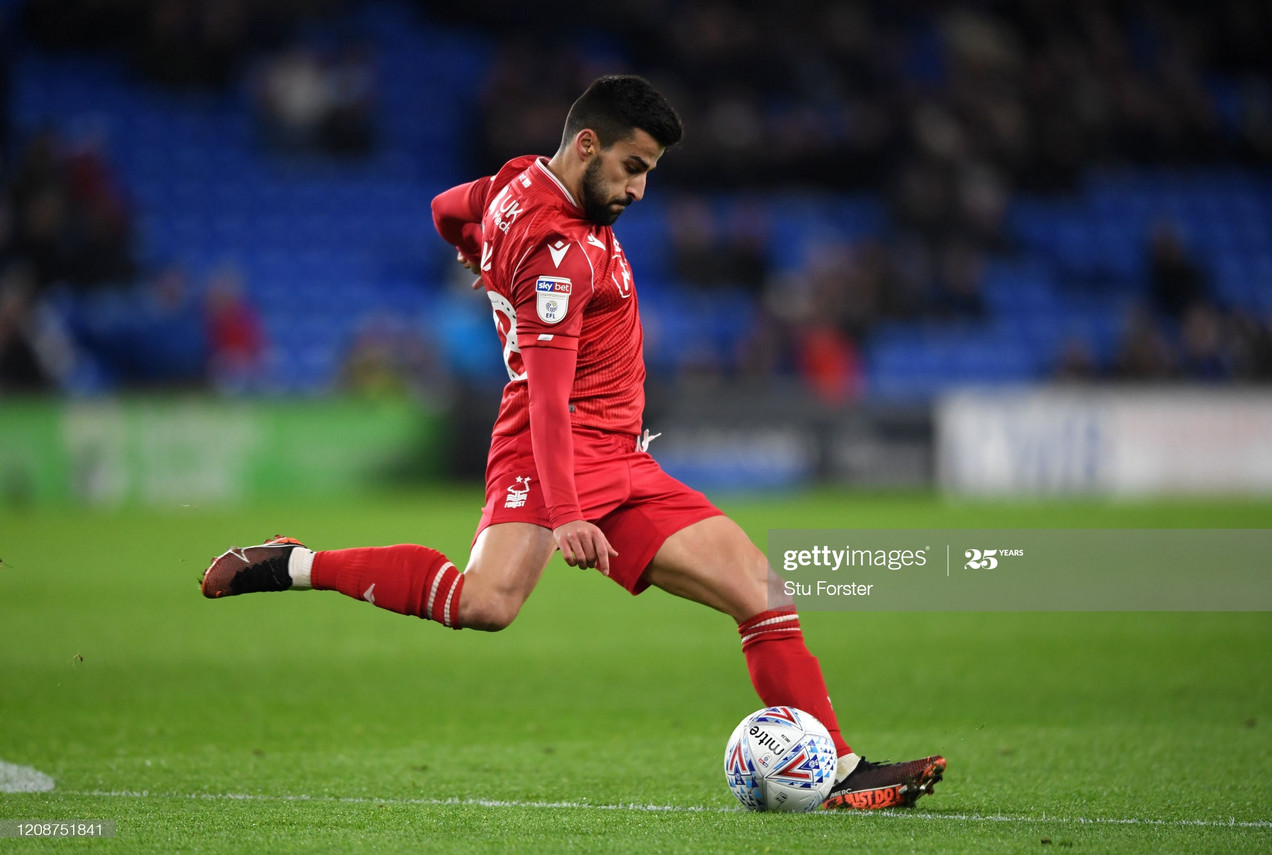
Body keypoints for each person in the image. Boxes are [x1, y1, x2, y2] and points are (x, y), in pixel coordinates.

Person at [200, 75, 944, 811]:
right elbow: (550, 397)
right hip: (552, 447)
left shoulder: (515, 181)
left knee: (763, 594)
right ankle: (294, 563)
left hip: (619, 453)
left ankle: (838, 770)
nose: (639, 192)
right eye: (632, 168)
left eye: (648, 173)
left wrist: (473, 254)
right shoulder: (559, 253)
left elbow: (443, 209)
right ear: (587, 145)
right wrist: (568, 512)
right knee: (487, 602)